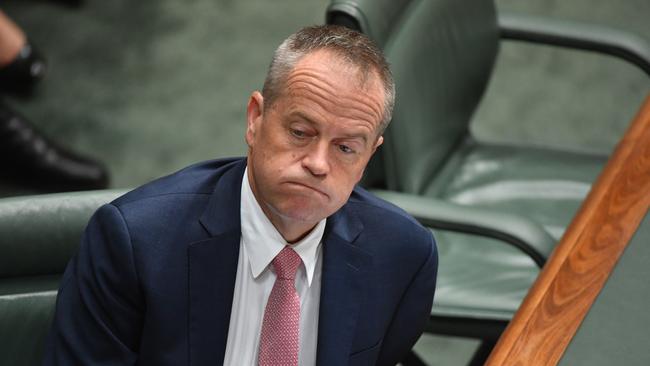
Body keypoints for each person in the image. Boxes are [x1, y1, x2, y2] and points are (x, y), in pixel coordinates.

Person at [43, 25, 438, 365]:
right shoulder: (134, 244)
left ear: (370, 155)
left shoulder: (402, 257)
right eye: (300, 133)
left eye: (345, 148)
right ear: (255, 119)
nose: (318, 163)